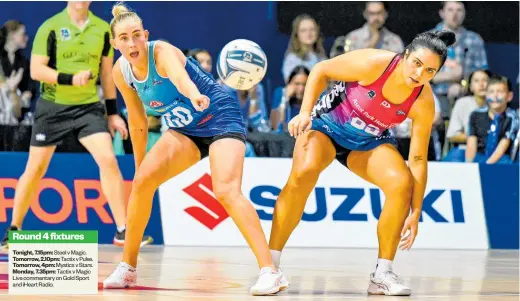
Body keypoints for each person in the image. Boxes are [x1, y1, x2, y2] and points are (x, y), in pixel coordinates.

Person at [102, 3, 284, 296]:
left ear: (145, 34)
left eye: (137, 35)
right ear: (114, 43)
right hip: (185, 129)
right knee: (142, 182)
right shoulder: (121, 72)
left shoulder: (161, 52)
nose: (132, 42)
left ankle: (270, 272)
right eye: (124, 38)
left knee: (225, 190)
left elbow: (179, 77)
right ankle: (128, 268)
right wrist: (140, 167)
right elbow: (136, 122)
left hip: (218, 116)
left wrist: (195, 95)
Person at [268, 31, 456, 296]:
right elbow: (321, 69)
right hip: (326, 127)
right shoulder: (374, 63)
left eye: (429, 71)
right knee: (304, 172)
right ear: (404, 56)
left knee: (401, 184)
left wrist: (415, 211)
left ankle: (382, 274)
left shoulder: (423, 101)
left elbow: (417, 158)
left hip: (367, 141)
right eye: (416, 63)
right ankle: (270, 268)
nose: (419, 73)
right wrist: (304, 112)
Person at [0, 1, 153, 249]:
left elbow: (106, 74)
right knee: (35, 168)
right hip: (53, 107)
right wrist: (71, 79)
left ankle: (123, 230)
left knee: (108, 160)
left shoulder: (103, 29)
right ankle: (14, 229)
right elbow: (37, 70)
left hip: (89, 108)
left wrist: (112, 113)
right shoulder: (51, 27)